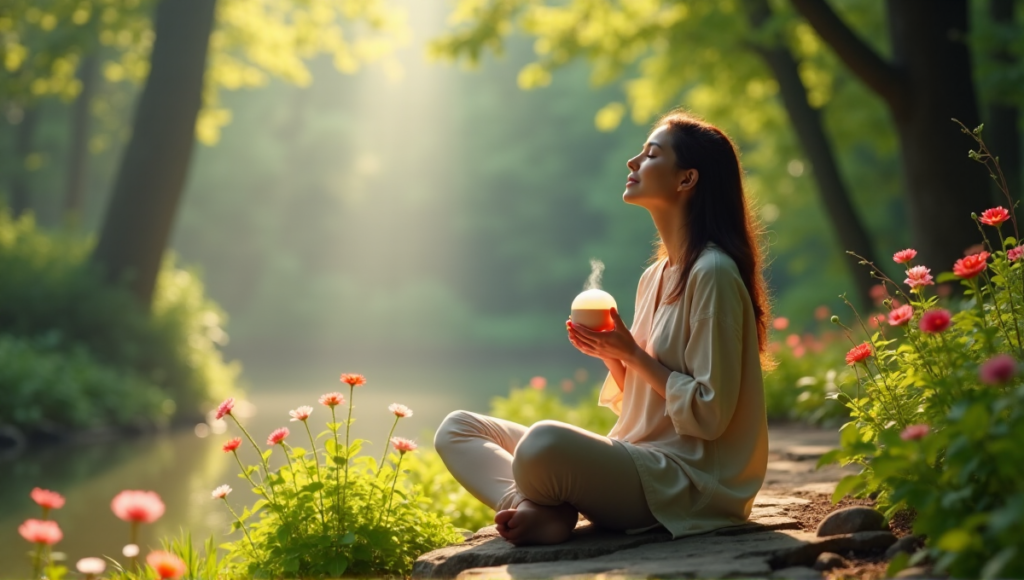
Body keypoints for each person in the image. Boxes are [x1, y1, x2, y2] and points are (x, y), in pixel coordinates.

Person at [433, 109, 771, 546]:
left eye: (651, 154)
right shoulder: (655, 276)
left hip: (687, 484)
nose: (633, 162)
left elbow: (708, 415)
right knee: (457, 428)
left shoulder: (713, 273)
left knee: (541, 444)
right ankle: (532, 507)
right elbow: (649, 400)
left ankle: (536, 509)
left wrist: (631, 353)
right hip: (638, 459)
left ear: (687, 179)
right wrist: (613, 355)